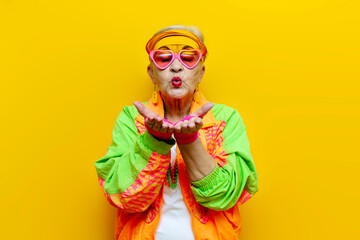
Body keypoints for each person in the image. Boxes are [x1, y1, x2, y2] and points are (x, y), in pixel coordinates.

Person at [95, 25, 258, 240]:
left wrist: (189, 140)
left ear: (201, 72)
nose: (176, 68)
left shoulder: (226, 119)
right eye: (164, 58)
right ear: (152, 73)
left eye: (188, 58)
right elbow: (124, 196)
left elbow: (225, 196)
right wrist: (153, 140)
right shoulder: (132, 119)